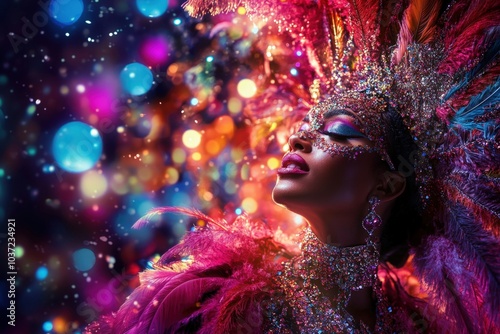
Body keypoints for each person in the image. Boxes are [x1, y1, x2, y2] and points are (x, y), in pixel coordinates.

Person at [86, 0, 499, 332]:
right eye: (304, 128)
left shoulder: (416, 327)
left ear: (388, 184)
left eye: (337, 131)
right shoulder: (215, 301)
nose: (298, 139)